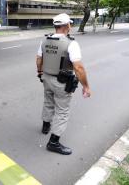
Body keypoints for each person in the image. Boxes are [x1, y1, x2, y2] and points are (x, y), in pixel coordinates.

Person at [36, 13, 91, 155]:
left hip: (46, 78)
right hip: (61, 81)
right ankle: (53, 142)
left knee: (48, 101)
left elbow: (38, 59)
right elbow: (78, 68)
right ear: (67, 26)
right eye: (70, 24)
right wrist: (86, 86)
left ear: (55, 26)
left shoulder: (44, 40)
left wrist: (40, 73)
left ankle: (45, 126)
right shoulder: (71, 43)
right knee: (62, 111)